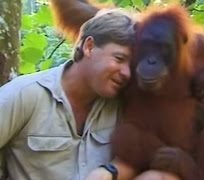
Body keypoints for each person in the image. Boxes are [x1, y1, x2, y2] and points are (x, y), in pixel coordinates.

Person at [0, 9, 180, 180]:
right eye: (119, 59)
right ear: (89, 46)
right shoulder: (26, 94)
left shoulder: (123, 103)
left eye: (131, 65)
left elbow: (143, 155)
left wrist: (109, 171)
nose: (127, 73)